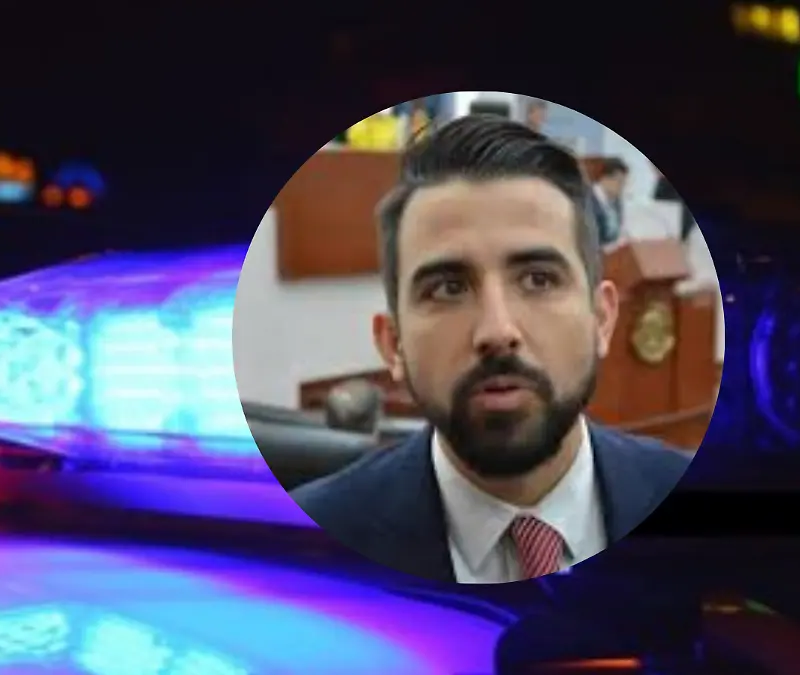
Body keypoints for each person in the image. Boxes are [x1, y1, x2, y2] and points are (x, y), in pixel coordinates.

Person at [289, 114, 691, 584]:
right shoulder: (301, 554)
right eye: (448, 288)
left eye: (538, 280)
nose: (498, 331)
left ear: (601, 319)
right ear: (393, 344)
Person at [589, 157, 629, 247]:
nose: (622, 187)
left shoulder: (617, 202)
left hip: (612, 250)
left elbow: (618, 232)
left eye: (624, 182)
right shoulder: (587, 199)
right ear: (605, 179)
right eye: (619, 182)